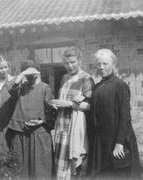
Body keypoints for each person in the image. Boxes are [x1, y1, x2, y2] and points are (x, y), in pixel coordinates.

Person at [88, 49, 141, 178]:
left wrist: (120, 143)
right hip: (101, 142)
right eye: (99, 64)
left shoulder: (120, 86)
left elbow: (125, 117)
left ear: (114, 65)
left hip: (116, 141)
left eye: (105, 64)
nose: (101, 67)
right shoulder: (97, 87)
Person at [51, 47, 94, 180]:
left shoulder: (87, 79)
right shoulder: (64, 78)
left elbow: (90, 106)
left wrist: (69, 104)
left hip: (75, 125)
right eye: (66, 63)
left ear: (80, 61)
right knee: (60, 158)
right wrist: (56, 104)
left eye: (73, 62)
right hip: (61, 124)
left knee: (74, 160)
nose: (70, 66)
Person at [8, 61, 54, 179]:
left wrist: (42, 120)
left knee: (40, 170)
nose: (31, 75)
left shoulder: (45, 88)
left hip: (39, 134)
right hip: (20, 132)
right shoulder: (21, 87)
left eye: (33, 72)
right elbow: (10, 90)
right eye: (27, 72)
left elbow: (51, 111)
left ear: (38, 72)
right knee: (20, 169)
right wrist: (21, 75)